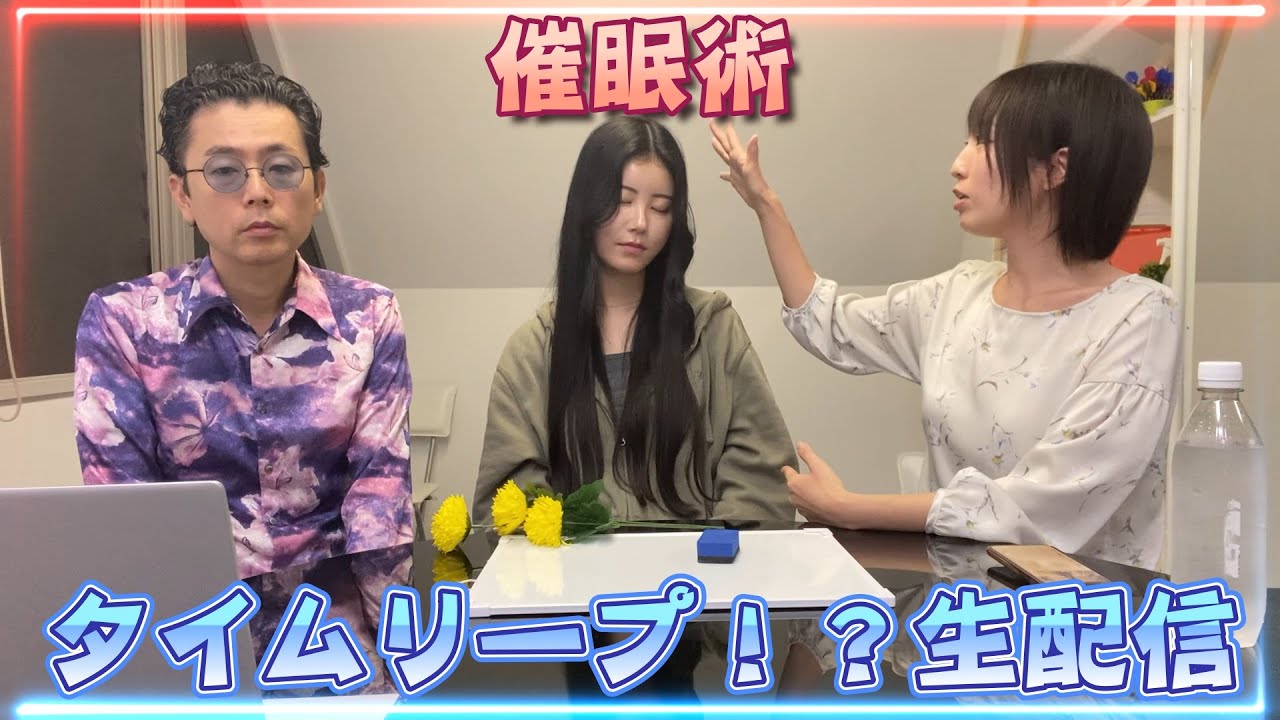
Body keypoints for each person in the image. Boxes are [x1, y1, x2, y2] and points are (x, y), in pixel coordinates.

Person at [711, 61, 1181, 569]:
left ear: (1054, 169)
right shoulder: (958, 293)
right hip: (961, 601)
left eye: (984, 143)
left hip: (1082, 610)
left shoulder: (1140, 315)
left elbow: (1036, 503)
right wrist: (766, 205)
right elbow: (827, 324)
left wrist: (849, 508)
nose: (958, 165)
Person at [73, 62, 414, 579]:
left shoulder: (368, 315)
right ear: (183, 195)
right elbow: (124, 522)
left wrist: (390, 628)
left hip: (329, 618)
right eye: (225, 171)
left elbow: (379, 508)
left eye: (281, 168)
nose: (257, 191)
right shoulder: (124, 322)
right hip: (191, 617)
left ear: (317, 189)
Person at [474, 116, 796, 525]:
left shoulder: (714, 329)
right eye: (623, 200)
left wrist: (711, 553)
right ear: (586, 205)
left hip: (699, 565)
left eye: (660, 207)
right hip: (575, 567)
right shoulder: (532, 350)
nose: (640, 222)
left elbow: (763, 482)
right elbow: (505, 507)